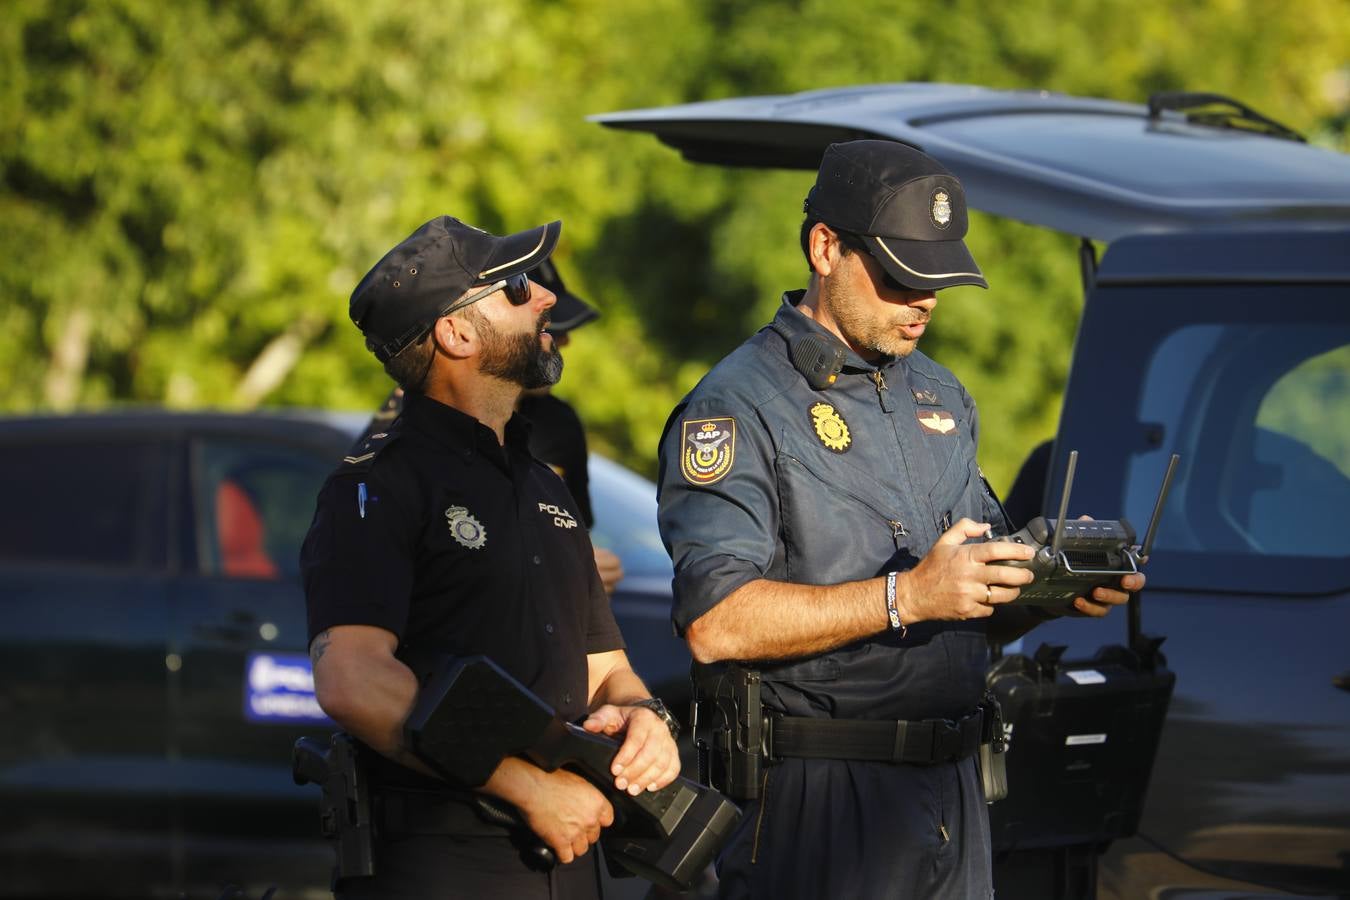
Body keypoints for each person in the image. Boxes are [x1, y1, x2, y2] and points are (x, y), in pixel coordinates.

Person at [655, 141, 1145, 899]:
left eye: (939, 277)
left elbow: (961, 603)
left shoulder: (941, 396)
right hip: (817, 800)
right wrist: (904, 597)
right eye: (902, 275)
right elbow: (716, 621)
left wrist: (1045, 588)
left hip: (951, 790)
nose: (924, 300)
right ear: (826, 249)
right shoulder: (738, 403)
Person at [301, 214, 681, 900]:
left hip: (573, 858)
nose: (544, 299)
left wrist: (646, 716)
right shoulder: (376, 487)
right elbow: (353, 682)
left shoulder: (539, 481)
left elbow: (606, 669)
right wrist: (529, 787)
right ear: (456, 333)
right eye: (514, 287)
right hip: (446, 863)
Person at [349, 257, 625, 594]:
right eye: (548, 326)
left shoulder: (557, 423)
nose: (562, 343)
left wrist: (582, 574)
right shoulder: (409, 431)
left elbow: (576, 545)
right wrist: (561, 565)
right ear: (464, 331)